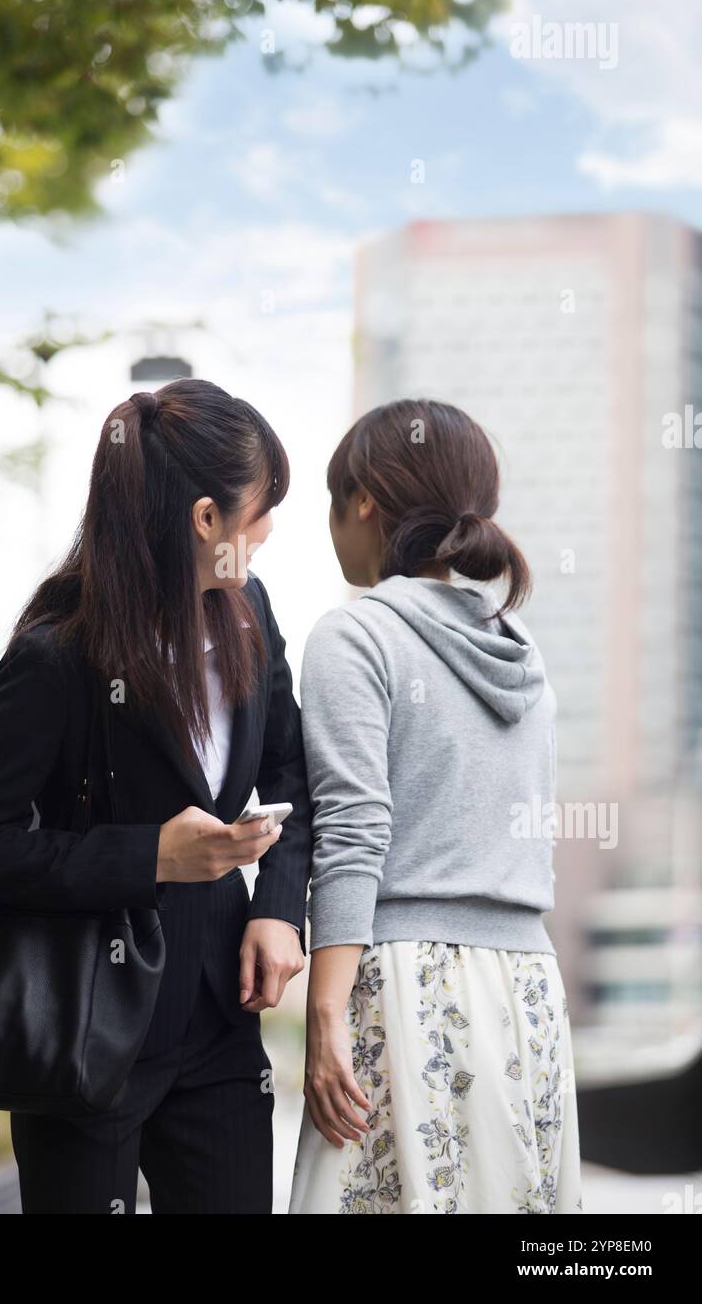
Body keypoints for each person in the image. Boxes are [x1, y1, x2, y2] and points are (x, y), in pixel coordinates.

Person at [0, 377, 313, 1214]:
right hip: (85, 1030)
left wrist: (278, 909)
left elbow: (290, 767)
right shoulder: (57, 653)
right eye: (262, 508)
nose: (271, 530)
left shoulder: (249, 608)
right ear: (206, 519)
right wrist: (149, 856)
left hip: (218, 1021)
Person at [289, 398, 583, 1214]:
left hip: (406, 986)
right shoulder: (525, 659)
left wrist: (324, 1014)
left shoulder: (356, 636)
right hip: (527, 989)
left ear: (366, 504)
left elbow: (354, 830)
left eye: (330, 499)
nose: (327, 523)